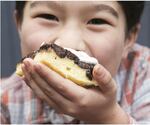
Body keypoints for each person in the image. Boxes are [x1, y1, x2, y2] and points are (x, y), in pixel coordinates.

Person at [1, 1, 150, 124]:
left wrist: (108, 117)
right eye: (48, 16)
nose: (69, 43)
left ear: (129, 38)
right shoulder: (5, 101)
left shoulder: (143, 74)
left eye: (97, 21)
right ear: (19, 25)